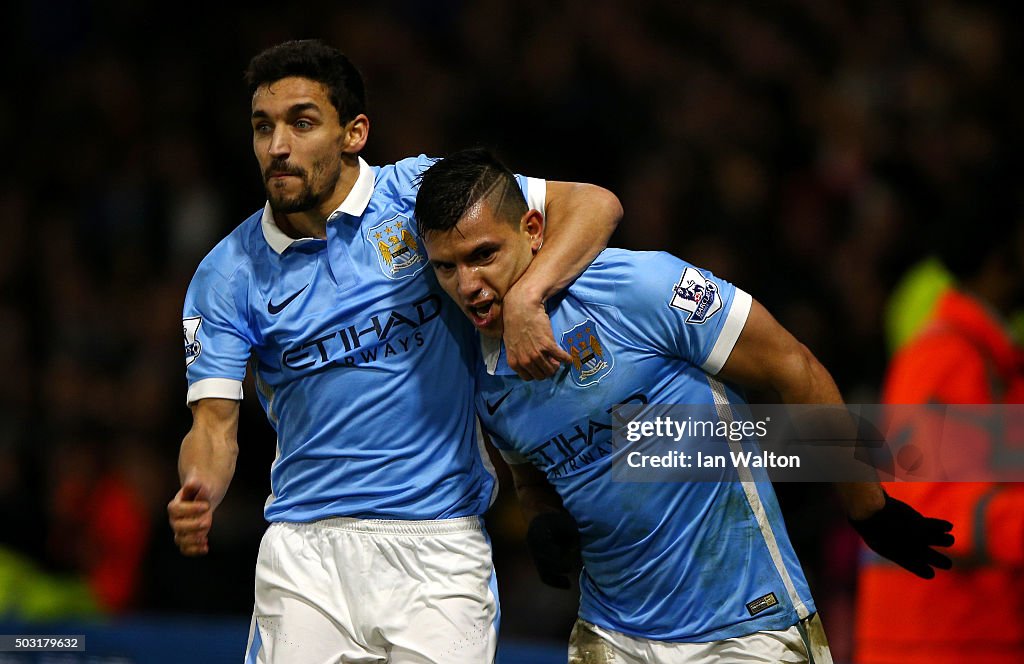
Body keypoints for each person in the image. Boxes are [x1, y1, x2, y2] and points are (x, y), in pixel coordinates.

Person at [165, 40, 622, 664]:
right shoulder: (225, 273)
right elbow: (213, 428)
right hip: (304, 555)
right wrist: (199, 486)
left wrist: (526, 299)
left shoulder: (418, 195)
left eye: (302, 123)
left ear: (353, 132)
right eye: (263, 127)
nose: (277, 147)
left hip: (437, 548)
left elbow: (594, 204)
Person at [414, 148, 955, 664]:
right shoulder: (478, 372)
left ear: (532, 230)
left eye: (483, 255)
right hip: (612, 635)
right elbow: (534, 473)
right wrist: (542, 520)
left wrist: (868, 508)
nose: (468, 285)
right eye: (447, 267)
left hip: (747, 622)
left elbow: (795, 369)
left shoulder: (639, 287)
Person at [855, 211, 1024, 663]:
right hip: (935, 641)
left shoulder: (995, 364)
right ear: (999, 259)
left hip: (967, 635)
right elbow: (927, 502)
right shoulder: (947, 359)